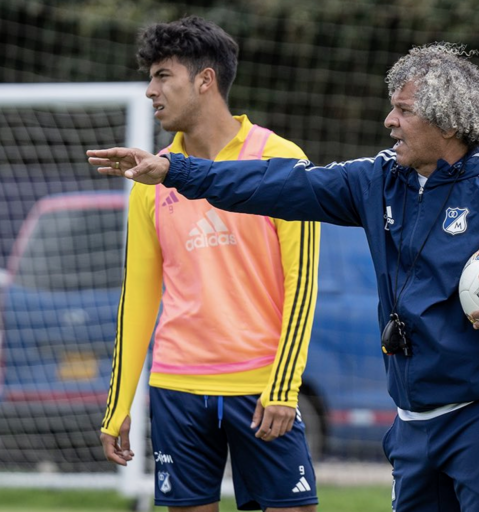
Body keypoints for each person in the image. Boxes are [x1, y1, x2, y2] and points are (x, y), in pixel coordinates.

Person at [89, 42, 479, 512]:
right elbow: (279, 184)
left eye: (403, 110)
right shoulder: (379, 179)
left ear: (447, 123)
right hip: (412, 420)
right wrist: (177, 172)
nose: (389, 121)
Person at [96, 16, 320, 512]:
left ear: (205, 80)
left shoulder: (280, 159)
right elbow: (138, 297)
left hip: (260, 387)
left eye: (162, 76)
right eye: (149, 77)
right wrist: (119, 403)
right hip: (177, 388)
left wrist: (283, 386)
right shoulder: (149, 179)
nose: (150, 90)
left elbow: (301, 285)